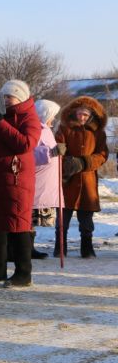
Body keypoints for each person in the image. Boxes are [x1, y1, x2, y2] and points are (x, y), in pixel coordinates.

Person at [0, 80, 41, 288]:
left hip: (16, 178)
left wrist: (0, 122)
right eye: (3, 96)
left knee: (18, 223)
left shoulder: (29, 116)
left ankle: (23, 272)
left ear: (19, 98)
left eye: (9, 97)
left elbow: (25, 143)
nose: (4, 100)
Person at [54, 96, 108, 258]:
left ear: (91, 115)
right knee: (63, 218)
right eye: (79, 114)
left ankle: (87, 247)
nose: (82, 117)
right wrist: (66, 163)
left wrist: (85, 162)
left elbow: (103, 155)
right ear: (74, 113)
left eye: (85, 115)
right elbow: (57, 150)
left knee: (86, 220)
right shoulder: (65, 129)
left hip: (88, 181)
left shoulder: (98, 132)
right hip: (67, 180)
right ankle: (60, 247)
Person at [30, 100, 64, 259]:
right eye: (52, 115)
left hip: (46, 182)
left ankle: (28, 248)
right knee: (28, 218)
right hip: (37, 182)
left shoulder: (46, 130)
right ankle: (23, 249)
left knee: (31, 220)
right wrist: (52, 152)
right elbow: (30, 154)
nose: (54, 119)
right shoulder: (37, 130)